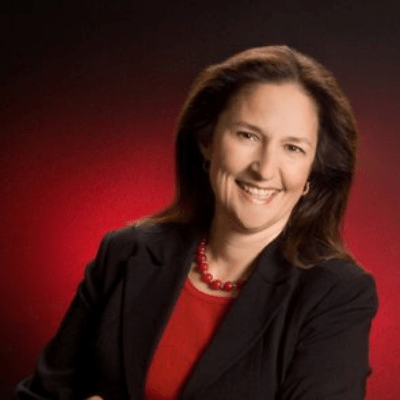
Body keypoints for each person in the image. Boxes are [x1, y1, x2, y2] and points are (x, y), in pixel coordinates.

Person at [15, 45, 378, 400]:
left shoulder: (336, 294)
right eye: (248, 135)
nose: (265, 168)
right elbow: (41, 394)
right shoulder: (126, 252)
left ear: (313, 171)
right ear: (207, 141)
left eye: (293, 148)